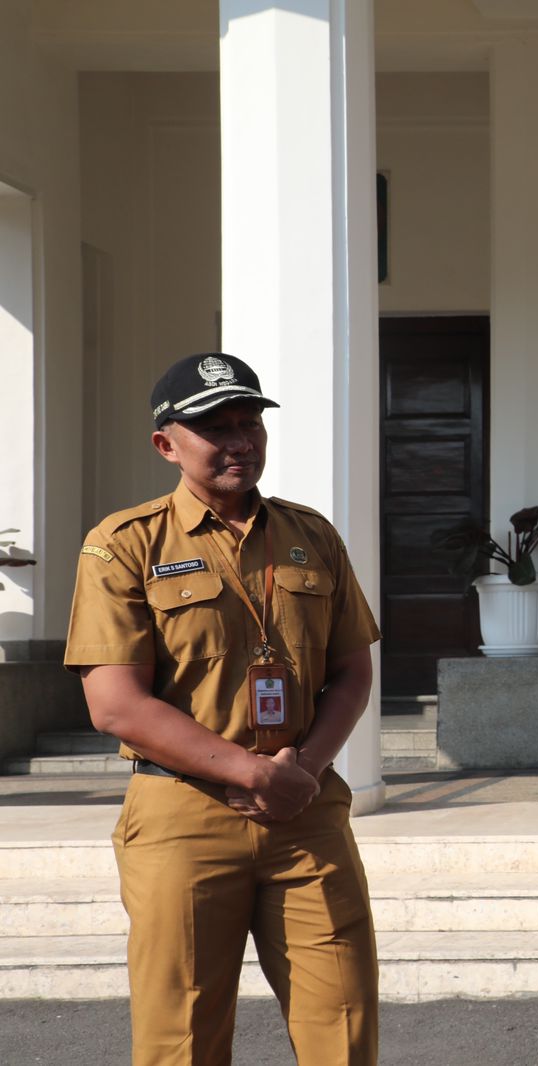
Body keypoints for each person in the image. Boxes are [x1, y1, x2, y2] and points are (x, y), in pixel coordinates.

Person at [64, 353, 382, 1065]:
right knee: (183, 1040)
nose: (239, 440)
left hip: (303, 808)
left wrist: (302, 769)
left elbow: (353, 670)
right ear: (167, 444)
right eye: (216, 427)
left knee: (346, 1025)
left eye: (249, 423)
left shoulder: (313, 535)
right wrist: (249, 772)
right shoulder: (125, 545)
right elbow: (115, 704)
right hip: (184, 815)